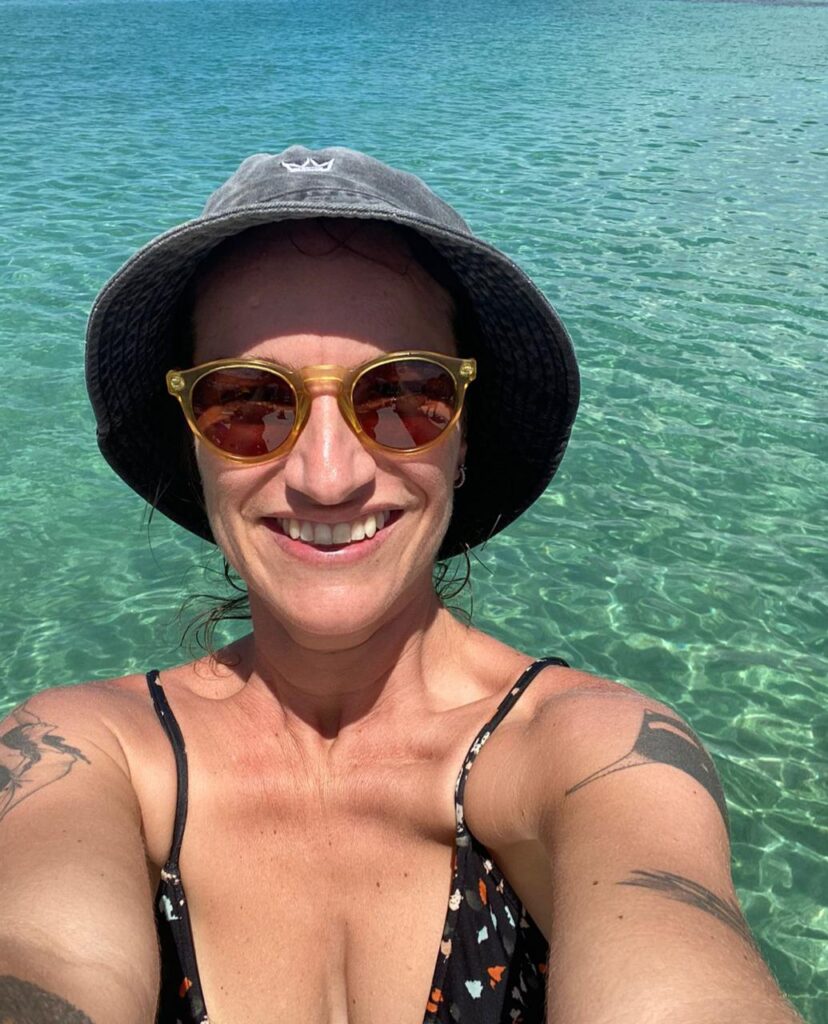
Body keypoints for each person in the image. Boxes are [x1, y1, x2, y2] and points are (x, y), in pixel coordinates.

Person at [0, 147, 803, 1024]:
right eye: (248, 404)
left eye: (403, 397)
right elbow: (41, 951)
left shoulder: (596, 757)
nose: (328, 476)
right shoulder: (86, 755)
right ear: (193, 443)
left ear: (464, 438)